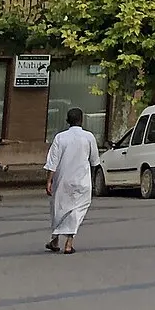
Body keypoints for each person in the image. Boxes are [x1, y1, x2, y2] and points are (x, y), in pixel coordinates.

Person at [43, 107, 100, 254]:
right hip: (82, 180)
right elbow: (95, 162)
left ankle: (55, 240)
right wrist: (93, 181)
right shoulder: (89, 137)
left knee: (58, 209)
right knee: (77, 211)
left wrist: (49, 181)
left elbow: (52, 162)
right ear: (82, 120)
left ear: (67, 120)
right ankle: (69, 243)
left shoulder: (60, 138)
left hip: (63, 180)